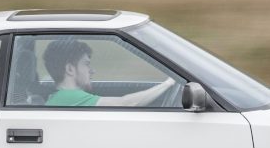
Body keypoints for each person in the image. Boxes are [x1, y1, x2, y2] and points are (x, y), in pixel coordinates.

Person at [43, 38, 175, 107]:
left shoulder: (60, 97)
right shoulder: (70, 97)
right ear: (70, 69)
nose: (92, 71)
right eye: (86, 64)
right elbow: (126, 103)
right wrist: (168, 83)